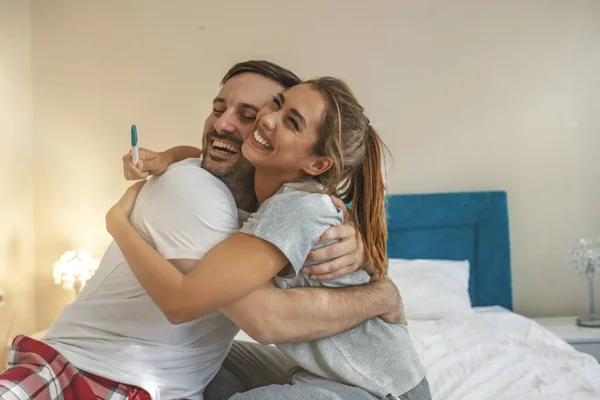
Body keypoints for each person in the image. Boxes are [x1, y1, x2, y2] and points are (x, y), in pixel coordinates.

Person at [0, 61, 404, 400]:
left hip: (130, 381)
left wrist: (364, 252)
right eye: (219, 108)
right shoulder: (195, 190)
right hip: (90, 376)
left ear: (312, 161)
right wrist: (382, 296)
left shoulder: (284, 211)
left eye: (249, 115)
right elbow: (262, 319)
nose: (223, 124)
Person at [106, 77, 431, 400]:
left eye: (292, 122)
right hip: (321, 373)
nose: (269, 118)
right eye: (276, 103)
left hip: (380, 389)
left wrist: (118, 222)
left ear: (317, 164)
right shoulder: (282, 192)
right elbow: (212, 154)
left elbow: (181, 302)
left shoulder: (298, 207)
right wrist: (169, 155)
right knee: (193, 363)